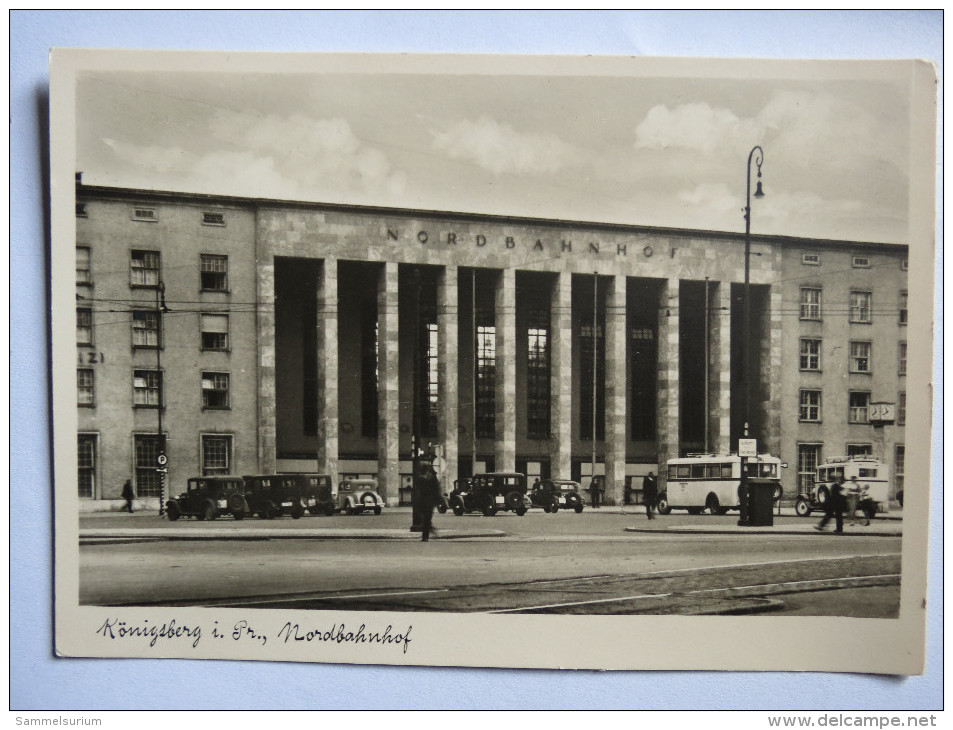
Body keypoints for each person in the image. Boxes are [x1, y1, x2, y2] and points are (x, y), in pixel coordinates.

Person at [414, 462, 442, 542]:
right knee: (427, 519)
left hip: (424, 502)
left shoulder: (422, 479)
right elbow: (436, 490)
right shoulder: (430, 478)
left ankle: (426, 535)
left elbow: (419, 490)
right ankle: (429, 531)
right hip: (428, 502)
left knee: (426, 519)